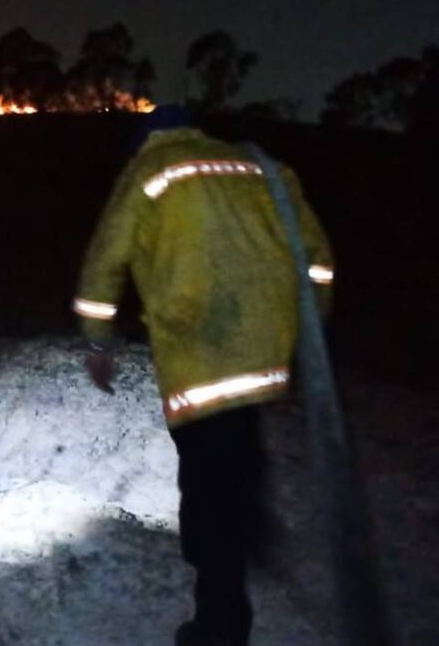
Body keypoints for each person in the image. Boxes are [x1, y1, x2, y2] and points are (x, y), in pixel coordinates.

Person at [72, 106, 334, 646]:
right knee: (234, 450)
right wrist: (309, 327)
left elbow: (105, 261)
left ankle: (220, 619)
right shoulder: (259, 167)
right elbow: (318, 259)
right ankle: (239, 538)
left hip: (198, 350)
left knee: (207, 474)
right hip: (264, 348)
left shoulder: (151, 167)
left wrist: (99, 338)